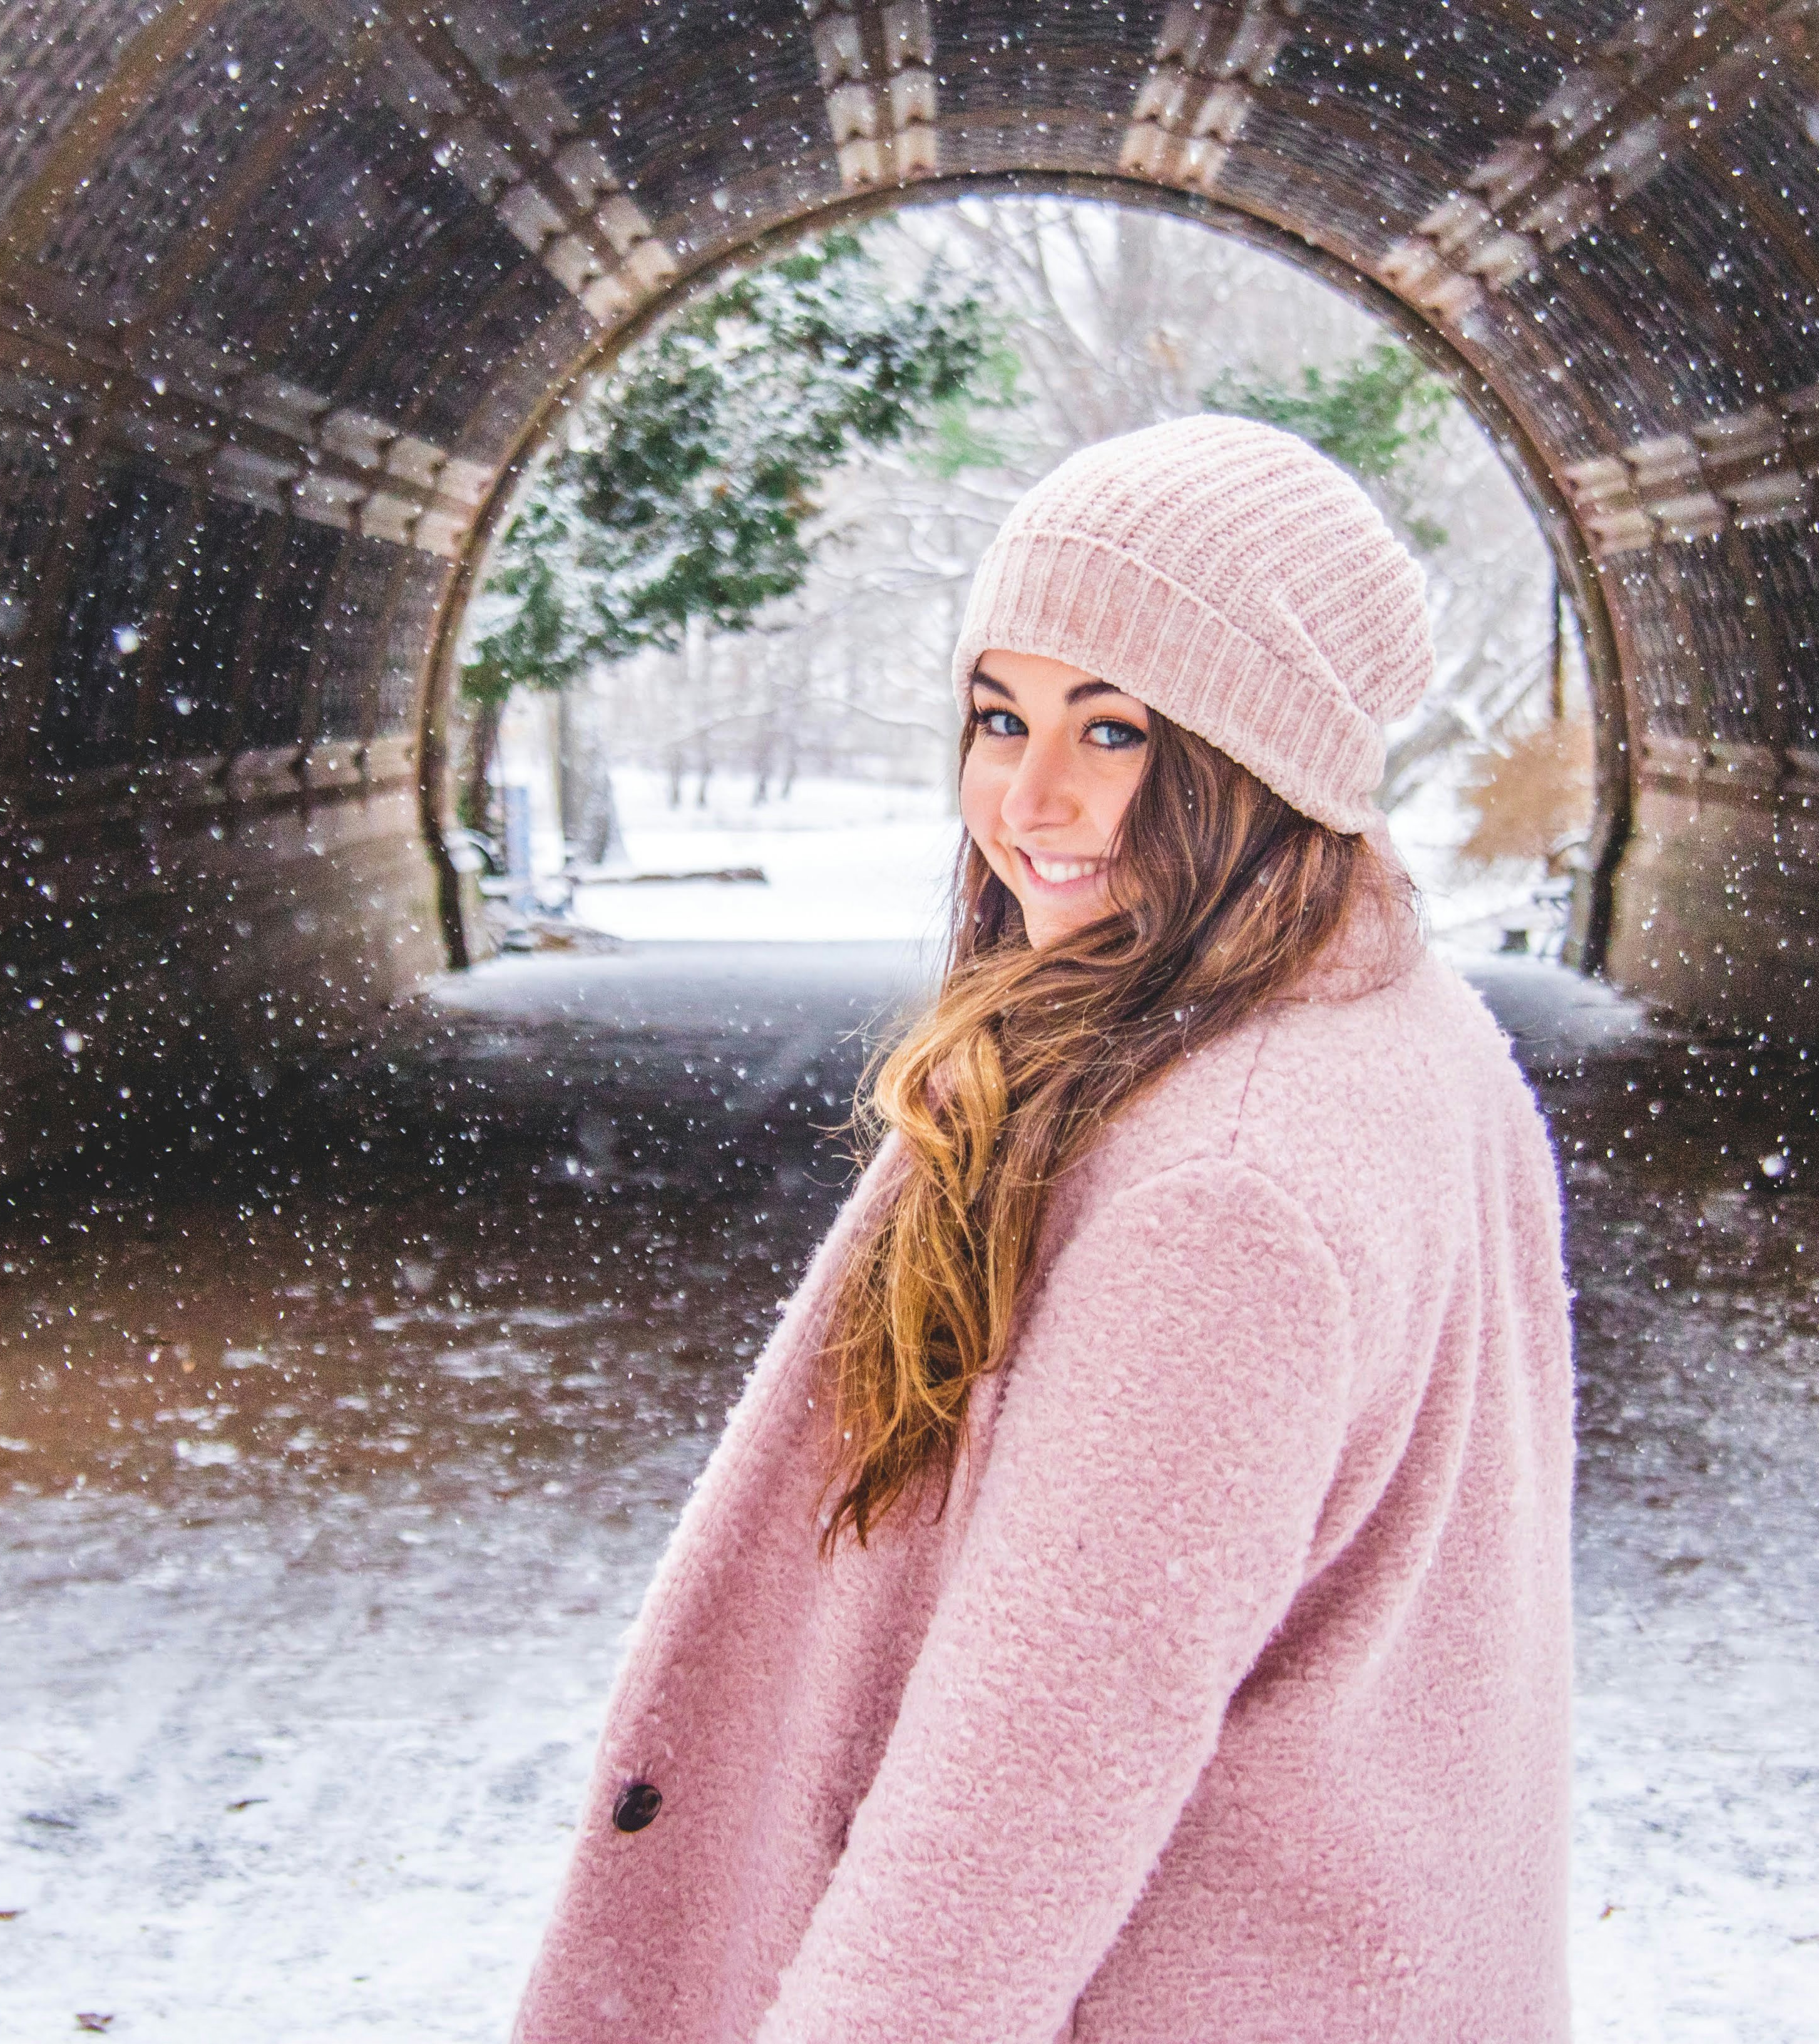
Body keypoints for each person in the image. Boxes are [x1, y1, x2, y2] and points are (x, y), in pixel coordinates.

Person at [514, 414, 1573, 2042]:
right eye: (997, 713)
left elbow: (1016, 1808)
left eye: (1116, 728)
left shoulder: (1218, 1191)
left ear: (1260, 754)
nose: (1029, 795)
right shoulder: (1401, 1037)